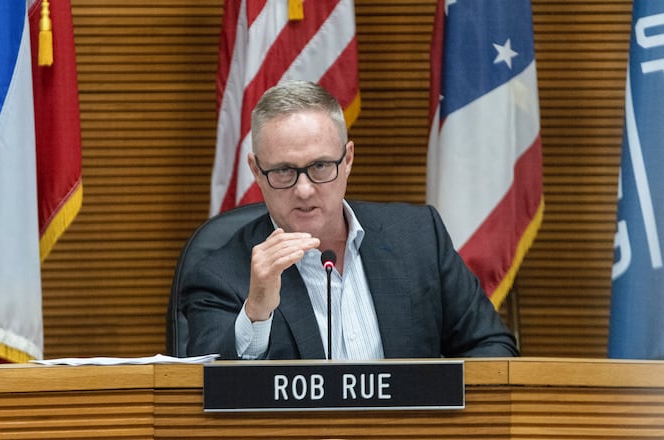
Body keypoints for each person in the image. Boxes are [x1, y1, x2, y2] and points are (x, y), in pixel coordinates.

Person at [181, 80, 518, 360]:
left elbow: (491, 347)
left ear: (348, 159)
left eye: (320, 167)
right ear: (256, 170)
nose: (304, 189)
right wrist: (256, 310)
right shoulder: (220, 275)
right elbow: (209, 394)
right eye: (283, 171)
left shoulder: (419, 238)